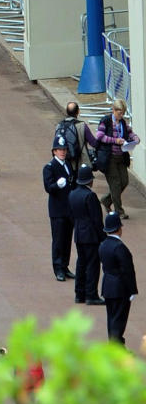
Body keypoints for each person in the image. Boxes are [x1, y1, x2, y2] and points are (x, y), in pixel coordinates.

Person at [96, 98, 140, 220]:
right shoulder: (106, 121)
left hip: (121, 157)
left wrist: (136, 138)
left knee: (124, 181)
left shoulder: (123, 123)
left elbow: (130, 133)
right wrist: (115, 140)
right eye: (119, 112)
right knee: (115, 184)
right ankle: (119, 211)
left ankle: (106, 200)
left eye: (123, 113)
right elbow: (99, 136)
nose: (121, 115)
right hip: (109, 157)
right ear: (113, 110)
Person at [68, 164, 106, 305]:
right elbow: (96, 219)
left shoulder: (72, 194)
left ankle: (79, 293)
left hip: (79, 234)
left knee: (81, 263)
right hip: (91, 236)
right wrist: (103, 237)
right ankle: (91, 294)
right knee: (92, 265)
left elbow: (71, 215)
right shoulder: (90, 196)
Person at [99, 213, 138, 345]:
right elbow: (127, 271)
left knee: (111, 318)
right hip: (120, 289)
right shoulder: (120, 247)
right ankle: (116, 349)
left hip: (107, 286)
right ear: (119, 229)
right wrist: (132, 290)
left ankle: (116, 345)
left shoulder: (103, 245)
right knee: (119, 320)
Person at [44, 135, 76, 282]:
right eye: (59, 149)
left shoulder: (67, 165)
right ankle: (58, 269)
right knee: (58, 240)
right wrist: (57, 185)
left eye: (64, 149)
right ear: (54, 151)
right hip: (57, 210)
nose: (62, 152)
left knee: (67, 239)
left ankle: (65, 266)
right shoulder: (50, 167)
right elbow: (48, 187)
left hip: (69, 209)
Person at [56, 101, 97, 177]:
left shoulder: (59, 125)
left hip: (64, 161)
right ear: (78, 111)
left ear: (67, 111)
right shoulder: (82, 125)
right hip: (80, 162)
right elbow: (93, 143)